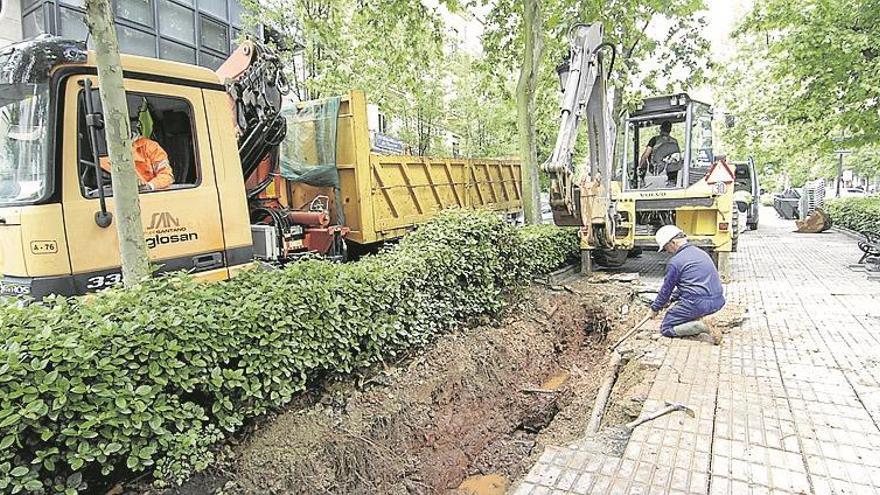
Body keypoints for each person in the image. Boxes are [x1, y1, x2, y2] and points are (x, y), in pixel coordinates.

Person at [649, 225, 725, 343]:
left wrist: (655, 309)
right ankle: (700, 318)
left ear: (673, 243)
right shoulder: (701, 253)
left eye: (665, 247)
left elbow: (666, 290)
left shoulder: (675, 262)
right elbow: (689, 283)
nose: (667, 251)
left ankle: (702, 326)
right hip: (718, 301)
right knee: (686, 314)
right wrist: (673, 298)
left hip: (698, 303)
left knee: (666, 328)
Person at [100, 116, 173, 191]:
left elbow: (166, 176)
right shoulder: (99, 150)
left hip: (146, 195)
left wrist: (149, 186)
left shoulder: (150, 147)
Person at [638, 120, 681, 187]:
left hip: (657, 173)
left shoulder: (654, 140)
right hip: (674, 173)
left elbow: (645, 156)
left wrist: (640, 167)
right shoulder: (675, 141)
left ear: (661, 129)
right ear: (670, 130)